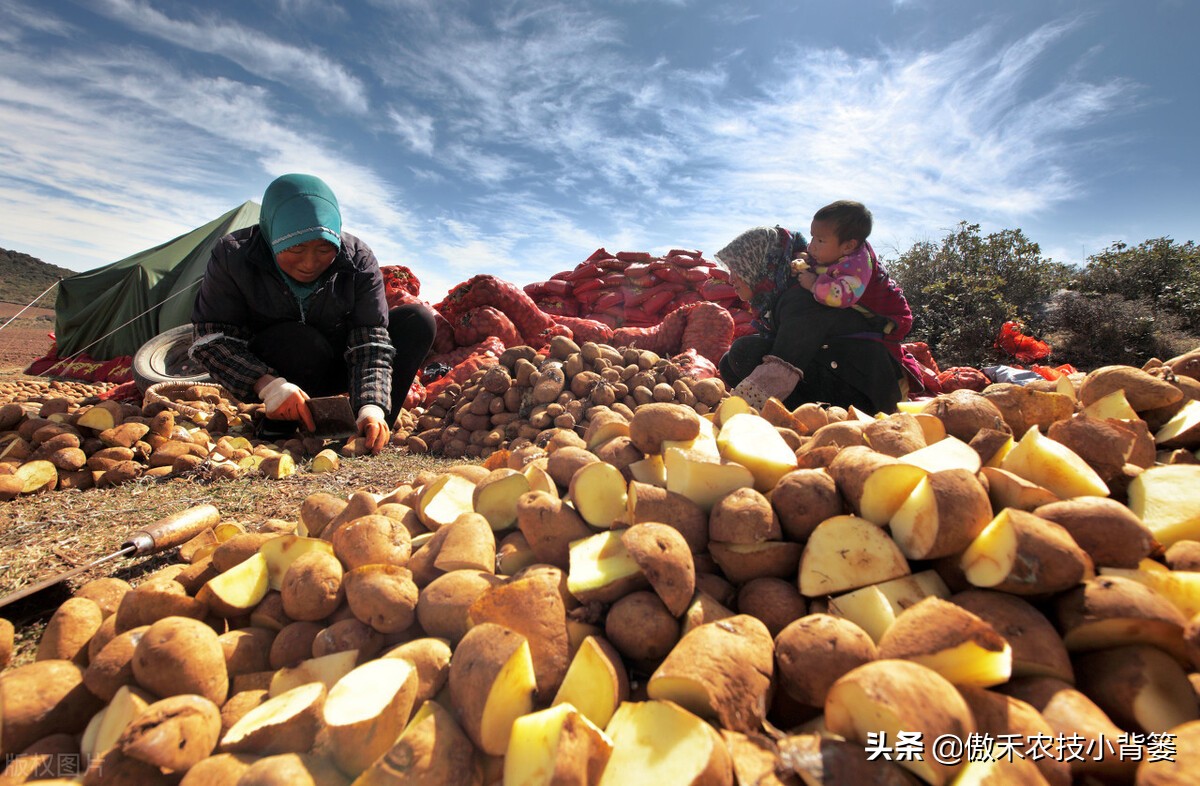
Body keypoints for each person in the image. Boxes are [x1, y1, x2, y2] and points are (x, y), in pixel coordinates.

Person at [190, 173, 436, 454]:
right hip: (278, 370)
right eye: (295, 248)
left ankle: (368, 427)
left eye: (323, 248)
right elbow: (209, 339)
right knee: (297, 339)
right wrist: (268, 386)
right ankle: (280, 424)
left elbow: (371, 342)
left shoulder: (357, 259)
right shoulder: (233, 255)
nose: (309, 263)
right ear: (273, 236)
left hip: (343, 364)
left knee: (418, 321)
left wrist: (372, 403)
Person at [716, 201, 913, 414]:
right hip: (841, 374)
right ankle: (782, 410)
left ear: (756, 266)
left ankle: (811, 415)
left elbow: (784, 362)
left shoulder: (801, 296)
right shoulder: (790, 291)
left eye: (738, 269)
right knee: (730, 362)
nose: (731, 279)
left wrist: (734, 412)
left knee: (744, 352)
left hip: (867, 393)